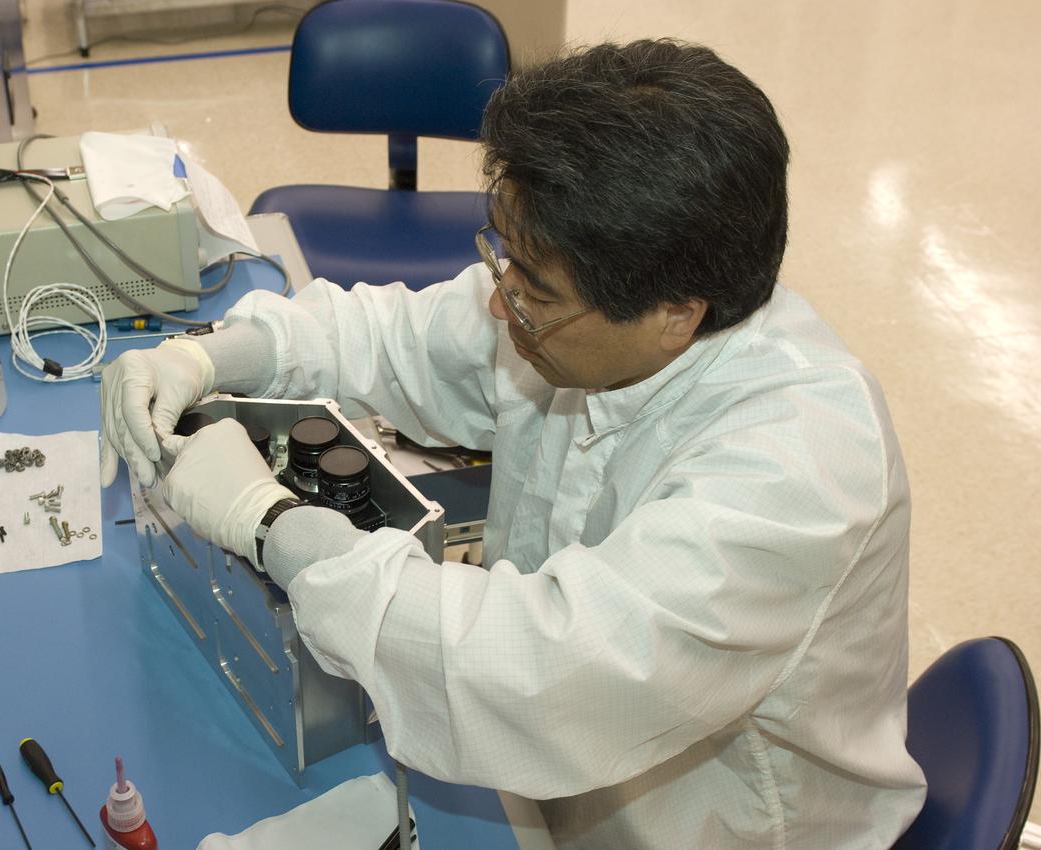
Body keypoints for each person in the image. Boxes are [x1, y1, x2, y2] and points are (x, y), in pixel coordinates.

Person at [100, 39, 927, 849]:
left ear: (678, 311)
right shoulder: (588, 303)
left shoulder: (801, 465)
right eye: (504, 260)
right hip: (538, 781)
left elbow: (545, 674)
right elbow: (400, 338)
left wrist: (273, 522)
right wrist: (214, 354)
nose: (501, 307)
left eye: (531, 291)